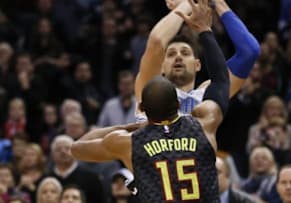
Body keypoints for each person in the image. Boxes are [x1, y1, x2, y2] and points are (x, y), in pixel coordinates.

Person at [71, 0, 229, 202]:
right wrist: (206, 31)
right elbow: (221, 79)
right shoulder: (204, 124)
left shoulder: (128, 141)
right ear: (179, 105)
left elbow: (77, 148)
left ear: (141, 108)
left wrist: (130, 127)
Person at [134, 0, 260, 121]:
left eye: (185, 53)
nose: (178, 57)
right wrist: (188, 4)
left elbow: (249, 51)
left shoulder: (207, 95)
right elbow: (157, 41)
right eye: (171, 54)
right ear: (161, 67)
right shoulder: (150, 91)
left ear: (197, 65)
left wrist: (218, 3)